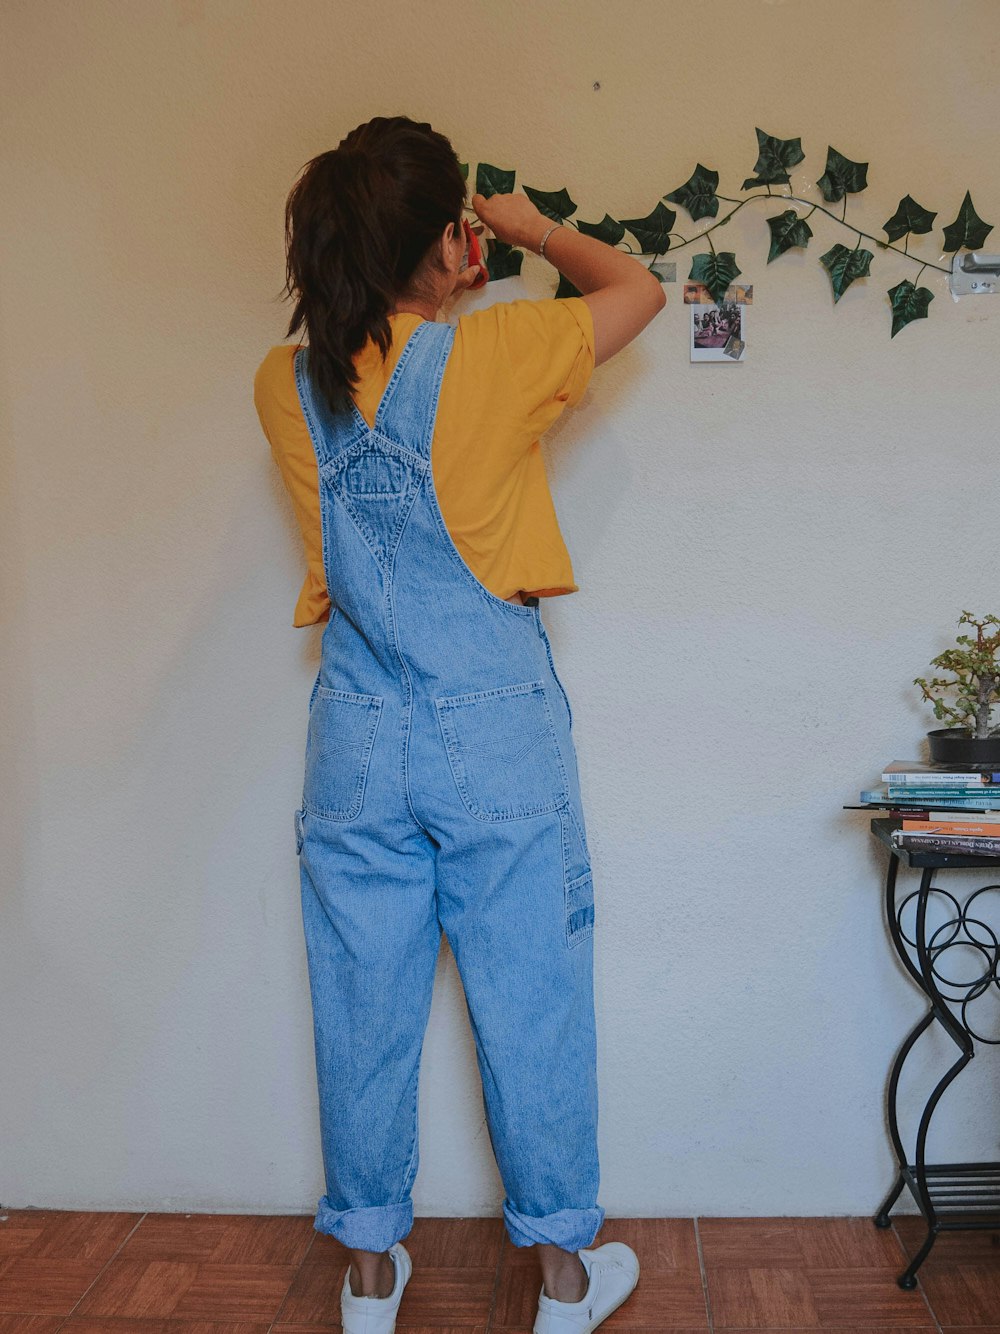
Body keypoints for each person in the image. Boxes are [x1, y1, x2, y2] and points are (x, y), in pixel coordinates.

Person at [253, 115, 665, 1334]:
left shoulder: (285, 383)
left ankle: (371, 1280)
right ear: (454, 240)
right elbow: (637, 287)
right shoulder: (505, 349)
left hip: (356, 732)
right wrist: (529, 228)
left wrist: (424, 288)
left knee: (358, 999)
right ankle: (561, 1285)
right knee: (529, 994)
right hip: (493, 730)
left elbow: (342, 532)